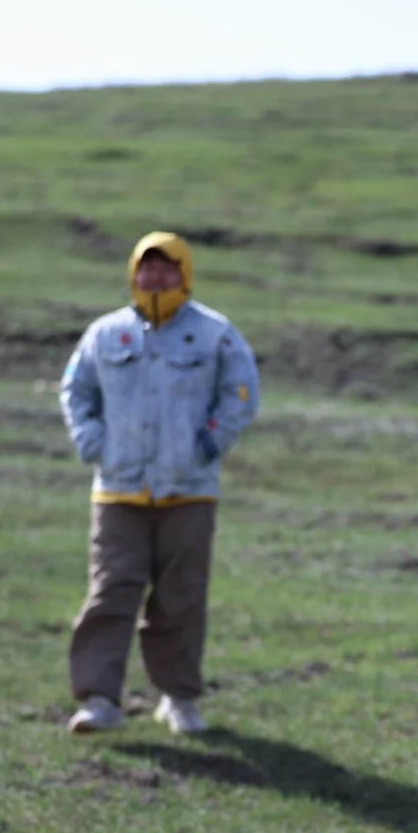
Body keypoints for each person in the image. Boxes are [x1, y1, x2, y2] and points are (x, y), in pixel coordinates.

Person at [59, 231, 259, 735]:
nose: (156, 276)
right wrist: (94, 443)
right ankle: (100, 700)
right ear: (133, 272)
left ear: (184, 274)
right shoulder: (105, 334)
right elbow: (76, 390)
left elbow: (240, 393)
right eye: (147, 267)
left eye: (167, 267)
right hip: (118, 491)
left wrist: (208, 444)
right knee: (110, 592)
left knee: (181, 596)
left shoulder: (215, 334)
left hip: (188, 491)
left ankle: (179, 699)